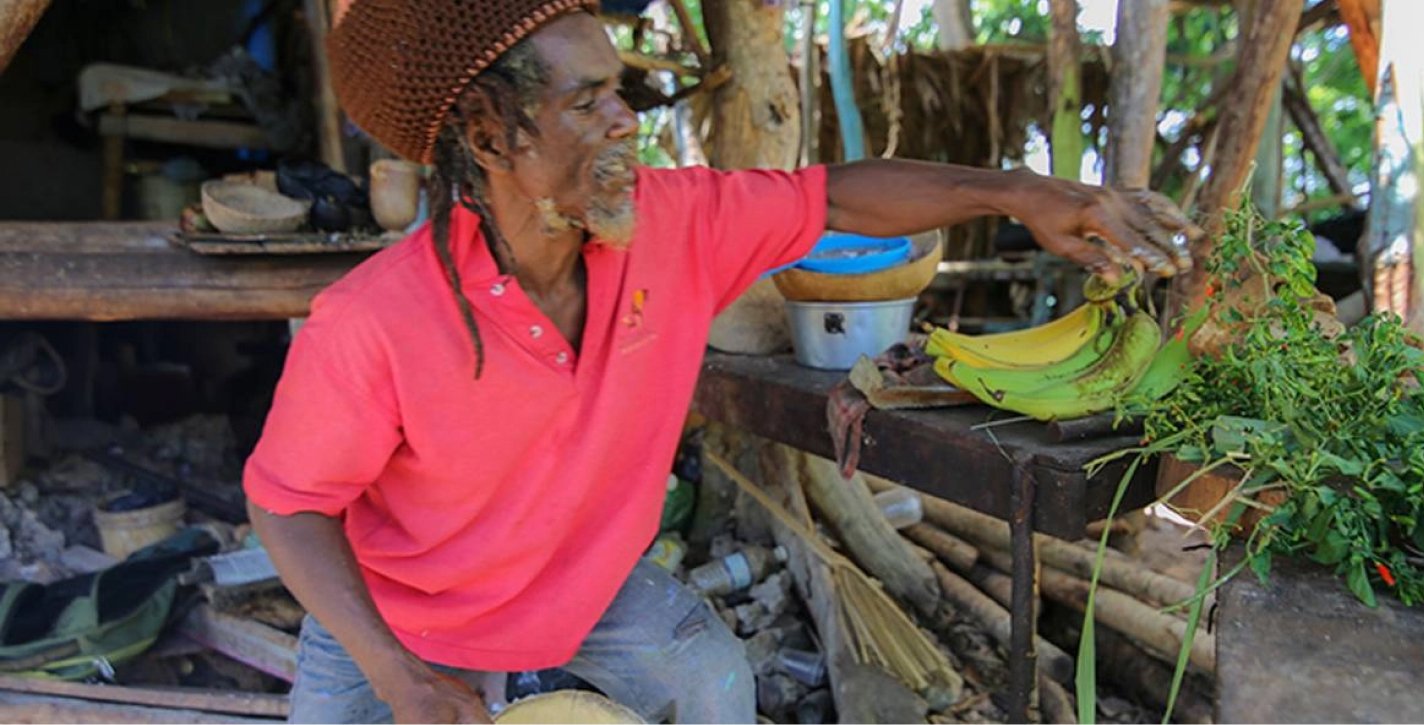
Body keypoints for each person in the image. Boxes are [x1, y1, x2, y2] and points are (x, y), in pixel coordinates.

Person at [242, 1, 1199, 723]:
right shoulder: (374, 322)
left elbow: (834, 197)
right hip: (402, 618)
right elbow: (285, 504)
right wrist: (391, 669)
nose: (626, 121)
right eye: (588, 102)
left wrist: (1018, 192)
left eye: (620, 93)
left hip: (583, 588)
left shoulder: (672, 226)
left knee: (713, 680)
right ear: (492, 138)